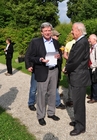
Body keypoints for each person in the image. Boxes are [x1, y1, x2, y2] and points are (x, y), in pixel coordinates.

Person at [26, 22, 60, 126]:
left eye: (49, 30)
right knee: (41, 94)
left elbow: (59, 53)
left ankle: (51, 112)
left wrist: (59, 56)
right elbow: (29, 56)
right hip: (42, 70)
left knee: (53, 93)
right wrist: (40, 59)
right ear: (41, 32)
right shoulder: (35, 42)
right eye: (45, 31)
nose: (47, 32)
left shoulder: (55, 42)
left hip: (54, 70)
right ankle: (40, 116)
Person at [64, 22, 91, 136]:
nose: (71, 31)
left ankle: (80, 127)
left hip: (79, 77)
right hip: (77, 76)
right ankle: (78, 121)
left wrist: (66, 68)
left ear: (79, 30)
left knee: (79, 103)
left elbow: (74, 60)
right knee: (77, 102)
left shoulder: (81, 42)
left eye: (72, 29)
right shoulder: (81, 41)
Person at [52, 29, 65, 109]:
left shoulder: (57, 44)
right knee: (53, 84)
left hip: (58, 67)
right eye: (57, 36)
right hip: (54, 67)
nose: (58, 37)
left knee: (56, 83)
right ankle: (57, 101)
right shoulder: (52, 44)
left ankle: (55, 95)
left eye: (58, 36)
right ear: (52, 36)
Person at [63, 39, 75, 107]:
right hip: (79, 66)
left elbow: (65, 55)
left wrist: (69, 60)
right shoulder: (83, 43)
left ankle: (71, 100)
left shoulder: (68, 44)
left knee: (70, 83)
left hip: (70, 65)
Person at [87, 34, 97, 103]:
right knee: (92, 82)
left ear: (94, 39)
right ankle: (92, 94)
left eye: (89, 39)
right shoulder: (91, 47)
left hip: (95, 68)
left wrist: (92, 66)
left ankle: (94, 98)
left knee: (95, 82)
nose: (88, 40)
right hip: (91, 67)